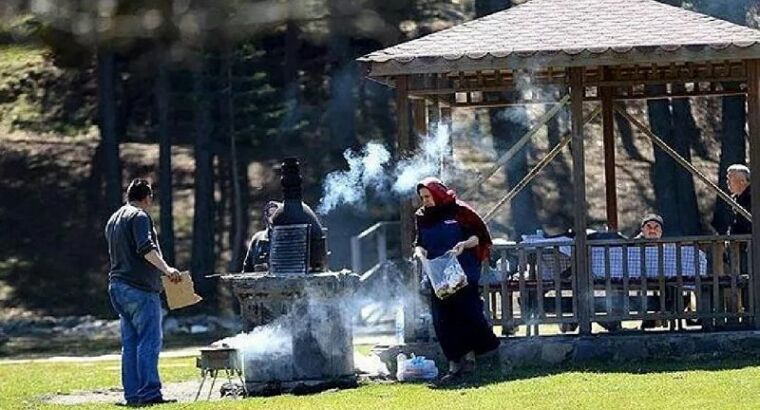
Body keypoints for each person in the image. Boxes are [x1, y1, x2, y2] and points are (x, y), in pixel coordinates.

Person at [414, 177, 500, 382]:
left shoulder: (460, 211)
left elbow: (478, 237)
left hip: (463, 272)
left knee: (468, 315)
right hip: (438, 277)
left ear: (438, 194)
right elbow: (419, 242)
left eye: (428, 196)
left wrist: (463, 245)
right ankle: (454, 364)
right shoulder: (421, 216)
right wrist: (420, 253)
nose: (425, 201)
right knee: (442, 321)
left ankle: (473, 358)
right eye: (422, 197)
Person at [105, 179, 181, 406]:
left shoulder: (114, 219)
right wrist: (168, 270)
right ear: (147, 197)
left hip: (117, 287)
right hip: (139, 289)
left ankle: (133, 395)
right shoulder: (139, 216)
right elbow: (145, 248)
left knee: (130, 344)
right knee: (149, 341)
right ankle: (150, 394)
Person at [242, 201, 281, 272]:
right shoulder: (257, 239)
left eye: (277, 214)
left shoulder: (290, 238)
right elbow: (247, 269)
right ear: (266, 216)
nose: (273, 217)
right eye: (270, 214)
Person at [727, 164, 751, 235]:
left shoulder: (753, 198)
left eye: (730, 179)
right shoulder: (734, 199)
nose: (727, 182)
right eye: (727, 179)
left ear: (742, 181)